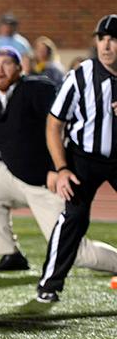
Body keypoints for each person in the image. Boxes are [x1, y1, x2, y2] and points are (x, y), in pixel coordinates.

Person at [0, 46, 117, 274]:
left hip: (46, 184)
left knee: (76, 251)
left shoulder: (36, 89)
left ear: (20, 68)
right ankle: (11, 255)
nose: (0, 70)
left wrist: (56, 169)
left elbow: (60, 125)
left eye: (7, 64)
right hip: (15, 176)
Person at [36, 15, 117, 302]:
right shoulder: (81, 75)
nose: (106, 45)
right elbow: (54, 123)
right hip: (84, 158)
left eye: (113, 39)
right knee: (74, 218)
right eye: (102, 39)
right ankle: (49, 283)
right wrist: (61, 168)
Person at [0, 13, 32, 94]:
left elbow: (26, 67)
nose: (7, 28)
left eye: (10, 25)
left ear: (15, 27)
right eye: (5, 25)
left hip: (16, 87)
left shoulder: (22, 44)